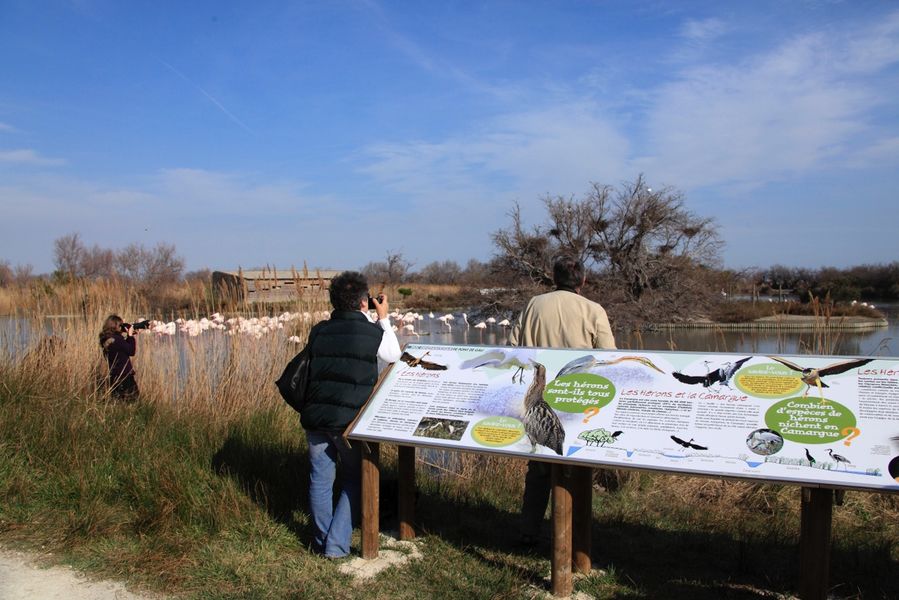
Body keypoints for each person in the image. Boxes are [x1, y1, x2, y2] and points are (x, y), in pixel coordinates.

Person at [508, 255, 616, 545]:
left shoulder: (533, 305)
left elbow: (512, 348)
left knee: (539, 469)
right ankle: (575, 537)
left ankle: (529, 531)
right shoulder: (594, 310)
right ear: (583, 280)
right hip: (576, 402)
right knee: (577, 471)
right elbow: (610, 357)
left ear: (553, 278)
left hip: (538, 401)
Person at [300, 271, 401, 558]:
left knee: (320, 479)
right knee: (355, 478)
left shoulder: (319, 330)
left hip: (316, 417)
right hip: (348, 423)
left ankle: (321, 542)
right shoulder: (372, 333)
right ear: (363, 302)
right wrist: (383, 318)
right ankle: (335, 546)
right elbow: (393, 355)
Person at [98, 314, 140, 401]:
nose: (122, 327)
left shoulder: (106, 340)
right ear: (115, 326)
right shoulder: (117, 340)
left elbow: (123, 350)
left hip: (114, 376)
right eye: (121, 325)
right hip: (125, 377)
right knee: (133, 401)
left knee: (118, 402)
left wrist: (128, 336)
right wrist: (131, 336)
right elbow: (131, 351)